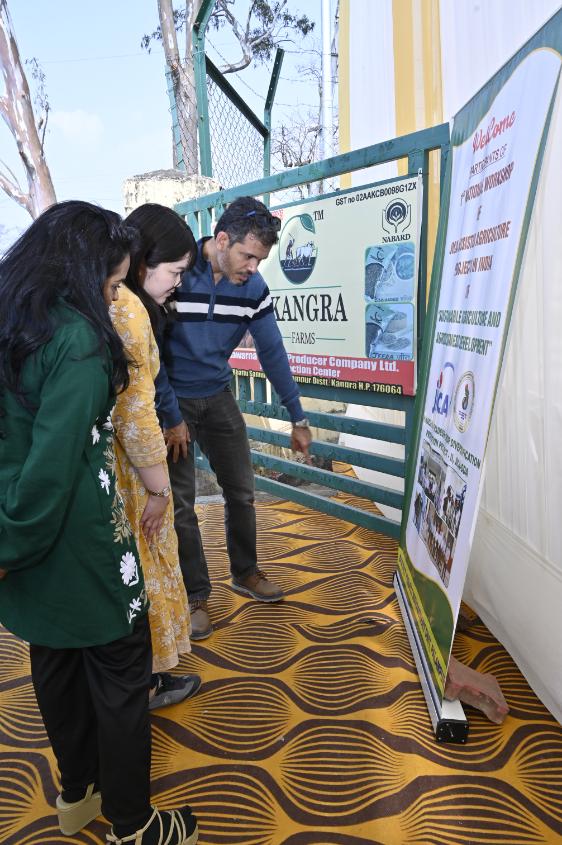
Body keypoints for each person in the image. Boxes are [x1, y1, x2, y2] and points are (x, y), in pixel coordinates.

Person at [0, 201, 198, 845]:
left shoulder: (14, 320)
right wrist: (10, 543)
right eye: (112, 284)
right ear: (82, 273)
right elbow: (55, 465)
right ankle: (134, 823)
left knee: (54, 663)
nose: (117, 297)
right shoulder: (80, 340)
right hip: (77, 536)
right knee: (121, 672)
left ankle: (77, 793)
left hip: (26, 543)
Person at [156, 196, 312, 640]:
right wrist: (170, 414)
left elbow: (272, 350)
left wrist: (297, 416)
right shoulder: (176, 273)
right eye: (248, 256)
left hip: (218, 396)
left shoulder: (253, 288)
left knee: (242, 491)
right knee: (181, 503)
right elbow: (152, 356)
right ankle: (195, 595)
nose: (254, 268)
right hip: (172, 400)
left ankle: (245, 572)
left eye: (260, 260)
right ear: (222, 240)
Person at [112, 202, 199, 710]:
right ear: (143, 261)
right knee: (143, 564)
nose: (178, 284)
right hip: (131, 472)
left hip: (124, 465)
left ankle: (140, 679)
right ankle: (140, 684)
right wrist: (159, 488)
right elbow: (136, 408)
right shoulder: (127, 309)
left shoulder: (125, 302)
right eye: (176, 272)